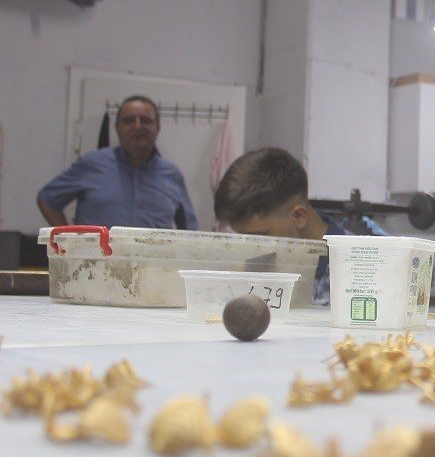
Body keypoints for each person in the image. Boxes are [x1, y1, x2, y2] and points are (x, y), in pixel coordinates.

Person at [37, 95, 198, 230]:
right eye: (128, 120)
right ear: (117, 127)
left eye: (145, 120)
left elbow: (190, 230)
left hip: (152, 266)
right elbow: (47, 199)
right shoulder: (92, 163)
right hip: (96, 266)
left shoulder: (172, 174)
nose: (137, 126)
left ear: (158, 127)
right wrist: (68, 241)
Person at [213, 147, 347, 305]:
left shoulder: (354, 270)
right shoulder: (254, 267)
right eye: (244, 238)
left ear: (298, 216)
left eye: (260, 238)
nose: (252, 250)